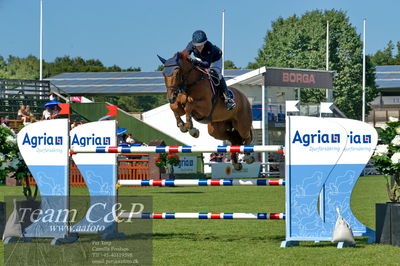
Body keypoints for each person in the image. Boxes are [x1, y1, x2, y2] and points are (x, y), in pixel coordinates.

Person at [184, 30, 236, 111]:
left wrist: (194, 61)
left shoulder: (209, 47)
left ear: (205, 42)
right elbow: (185, 54)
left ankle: (228, 98)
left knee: (215, 74)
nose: (199, 47)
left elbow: (207, 64)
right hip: (201, 59)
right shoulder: (191, 45)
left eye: (201, 45)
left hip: (214, 60)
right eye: (197, 45)